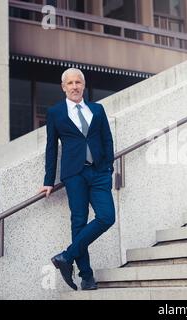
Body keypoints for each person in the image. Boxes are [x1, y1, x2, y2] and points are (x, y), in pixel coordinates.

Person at [39, 68, 116, 291]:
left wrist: (108, 168)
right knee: (79, 221)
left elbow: (107, 140)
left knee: (106, 217)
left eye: (78, 82)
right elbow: (51, 147)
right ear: (63, 87)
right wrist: (48, 180)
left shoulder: (97, 109)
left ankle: (66, 256)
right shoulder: (55, 113)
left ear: (83, 85)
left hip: (99, 173)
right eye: (70, 83)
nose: (74, 86)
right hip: (74, 174)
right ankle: (86, 276)